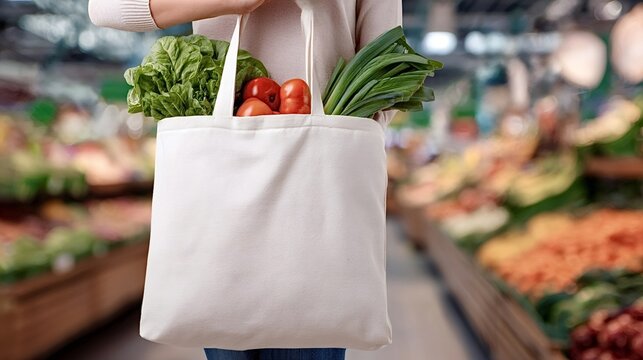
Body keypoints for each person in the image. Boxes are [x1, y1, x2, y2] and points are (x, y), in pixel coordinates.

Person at [88, 0, 401, 359]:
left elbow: (386, 59)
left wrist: (345, 134)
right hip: (227, 166)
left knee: (311, 321)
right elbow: (106, 8)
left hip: (315, 173)